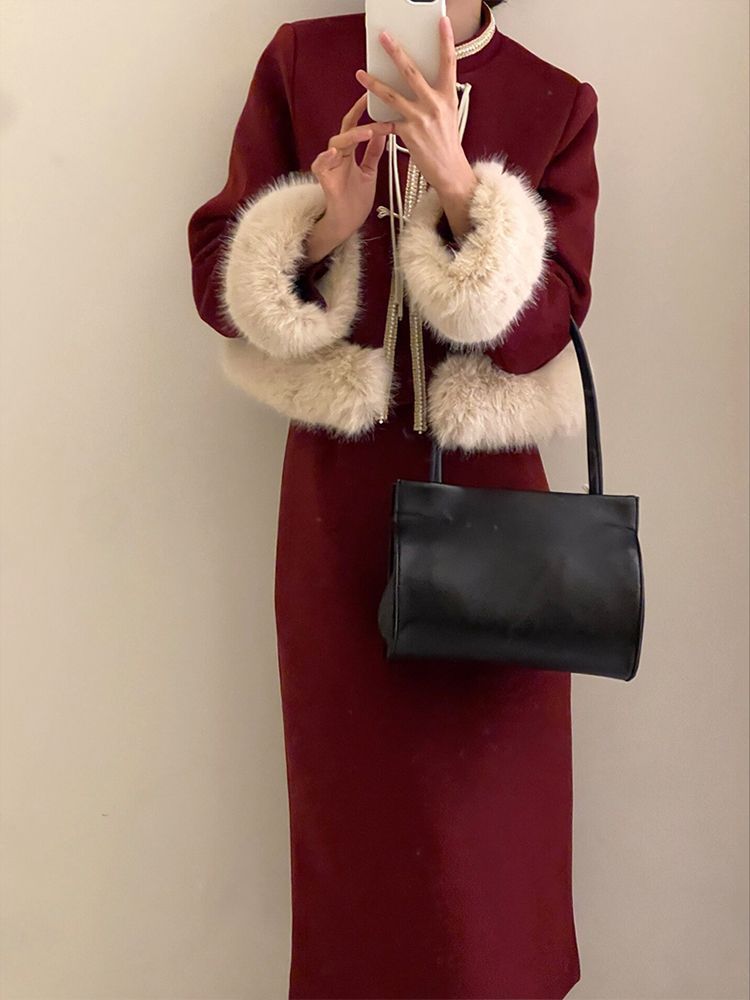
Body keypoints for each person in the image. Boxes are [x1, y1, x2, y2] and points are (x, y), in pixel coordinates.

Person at [187, 1, 599, 996]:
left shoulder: (554, 100)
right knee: (357, 834)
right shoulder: (303, 60)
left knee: (494, 852)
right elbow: (216, 284)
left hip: (498, 522)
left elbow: (544, 329)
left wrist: (461, 190)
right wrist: (326, 223)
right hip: (341, 509)